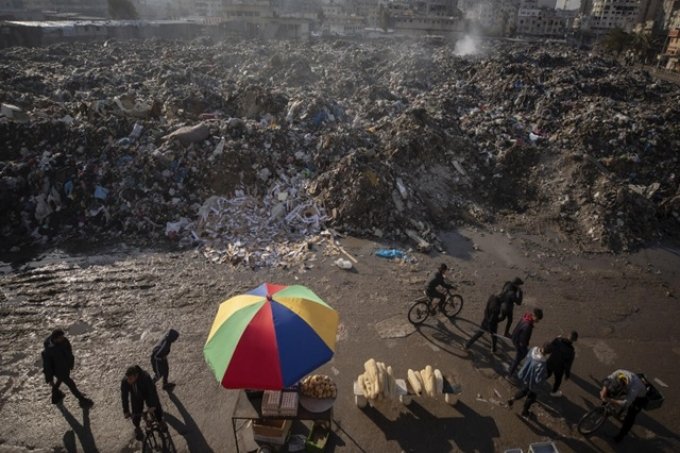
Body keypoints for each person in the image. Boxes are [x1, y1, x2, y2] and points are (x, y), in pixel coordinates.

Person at [42, 329, 94, 408]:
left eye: (62, 337)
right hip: (59, 371)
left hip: (65, 367)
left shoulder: (63, 341)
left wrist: (71, 362)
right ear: (55, 339)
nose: (63, 338)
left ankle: (56, 396)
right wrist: (49, 378)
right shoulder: (48, 351)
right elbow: (47, 365)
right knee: (71, 384)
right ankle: (81, 398)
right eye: (60, 337)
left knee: (59, 381)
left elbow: (69, 350)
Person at [600, 369, 649, 443]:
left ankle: (621, 436)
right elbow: (607, 380)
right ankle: (603, 410)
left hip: (639, 398)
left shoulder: (635, 388)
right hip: (627, 389)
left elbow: (626, 403)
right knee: (609, 392)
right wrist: (604, 392)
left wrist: (611, 400)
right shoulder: (618, 372)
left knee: (630, 415)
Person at [507, 343, 552, 419]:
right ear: (548, 353)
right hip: (533, 382)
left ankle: (513, 399)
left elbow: (527, 357)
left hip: (526, 375)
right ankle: (525, 412)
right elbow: (538, 379)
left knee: (524, 390)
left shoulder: (533, 350)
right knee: (531, 397)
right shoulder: (542, 363)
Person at [121, 365, 165, 441]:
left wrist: (152, 405)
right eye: (128, 378)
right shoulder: (125, 381)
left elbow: (151, 393)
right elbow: (124, 397)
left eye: (130, 379)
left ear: (136, 376)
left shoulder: (145, 377)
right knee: (136, 411)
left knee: (156, 406)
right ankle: (137, 427)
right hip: (136, 395)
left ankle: (160, 421)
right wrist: (126, 411)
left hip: (147, 392)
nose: (128, 381)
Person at [508, 308, 543, 376]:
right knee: (520, 356)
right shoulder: (528, 327)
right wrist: (525, 346)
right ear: (535, 316)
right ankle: (510, 373)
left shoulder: (526, 317)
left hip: (515, 337)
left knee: (520, 355)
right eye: (538, 319)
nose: (538, 321)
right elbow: (523, 340)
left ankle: (512, 367)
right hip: (519, 342)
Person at [546, 331, 578, 397]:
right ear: (575, 340)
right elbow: (568, 365)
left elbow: (550, 346)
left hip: (551, 362)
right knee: (558, 380)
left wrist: (555, 338)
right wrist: (567, 374)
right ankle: (554, 391)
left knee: (547, 374)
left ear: (568, 335)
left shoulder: (558, 340)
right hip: (559, 368)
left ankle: (537, 381)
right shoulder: (571, 351)